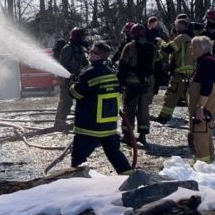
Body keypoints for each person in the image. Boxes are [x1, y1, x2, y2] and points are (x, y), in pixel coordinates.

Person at [69, 41, 132, 174]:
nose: (89, 54)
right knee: (115, 155)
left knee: (78, 159)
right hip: (108, 126)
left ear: (97, 56)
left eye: (92, 52)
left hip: (89, 127)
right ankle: (131, 179)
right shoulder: (110, 72)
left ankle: (76, 184)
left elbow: (76, 94)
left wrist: (72, 84)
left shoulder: (89, 73)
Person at [118, 23, 156, 147]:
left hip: (132, 82)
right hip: (148, 83)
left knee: (129, 108)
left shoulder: (129, 46)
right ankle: (143, 135)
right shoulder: (152, 47)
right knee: (144, 109)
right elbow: (159, 64)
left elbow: (122, 65)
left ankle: (127, 135)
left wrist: (120, 82)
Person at [188, 35, 215, 164]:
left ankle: (202, 165)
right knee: (205, 132)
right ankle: (210, 161)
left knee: (200, 133)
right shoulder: (209, 60)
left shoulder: (208, 63)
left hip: (205, 104)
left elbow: (207, 87)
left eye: (194, 46)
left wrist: (200, 107)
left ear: (202, 48)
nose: (191, 49)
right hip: (208, 103)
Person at [155, 18, 195, 124]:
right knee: (191, 99)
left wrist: (159, 41)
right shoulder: (193, 38)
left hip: (179, 74)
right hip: (191, 75)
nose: (175, 28)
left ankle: (163, 118)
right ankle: (194, 119)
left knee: (171, 96)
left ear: (183, 26)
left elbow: (169, 49)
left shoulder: (182, 37)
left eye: (177, 26)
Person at [54, 27, 90, 130]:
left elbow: (85, 62)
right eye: (82, 37)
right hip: (66, 79)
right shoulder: (67, 48)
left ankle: (76, 120)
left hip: (75, 78)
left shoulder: (79, 49)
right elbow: (64, 64)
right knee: (66, 101)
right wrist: (77, 72)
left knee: (79, 100)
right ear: (77, 37)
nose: (84, 39)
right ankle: (59, 122)